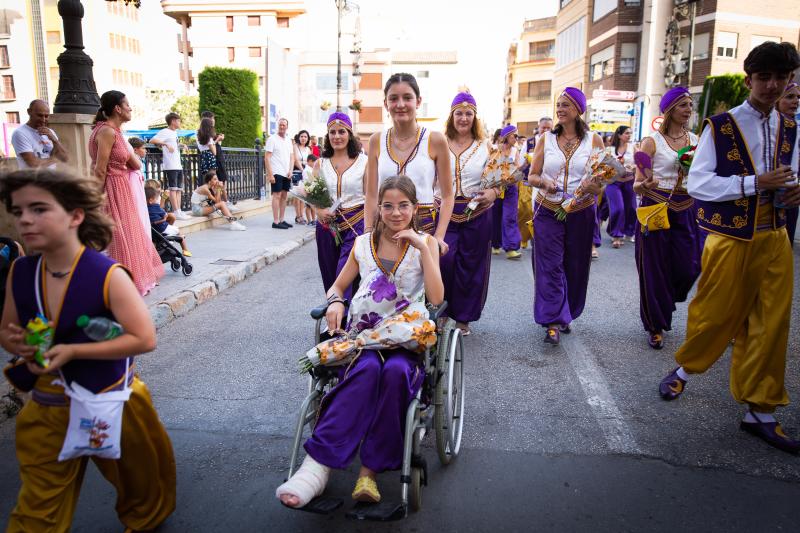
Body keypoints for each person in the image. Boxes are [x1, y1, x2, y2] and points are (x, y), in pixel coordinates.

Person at [0, 169, 176, 532]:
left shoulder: (107, 274)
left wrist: (74, 353)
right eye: (18, 212)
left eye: (38, 209)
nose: (25, 220)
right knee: (36, 509)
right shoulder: (21, 271)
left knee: (140, 484)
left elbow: (144, 339)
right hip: (48, 407)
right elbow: (6, 330)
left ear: (75, 216)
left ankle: (144, 519)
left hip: (111, 403)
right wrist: (14, 341)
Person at [658, 42, 800, 454]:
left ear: (789, 78)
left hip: (775, 236)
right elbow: (699, 184)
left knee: (772, 324)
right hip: (730, 237)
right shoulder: (721, 127)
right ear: (748, 80)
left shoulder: (792, 126)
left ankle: (761, 410)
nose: (773, 86)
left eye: (781, 78)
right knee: (715, 314)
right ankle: (685, 366)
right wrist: (756, 184)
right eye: (764, 78)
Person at [276, 176, 443, 508]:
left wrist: (424, 248)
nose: (396, 213)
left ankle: (368, 472)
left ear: (415, 207)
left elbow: (437, 297)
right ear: (378, 208)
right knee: (365, 372)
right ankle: (317, 467)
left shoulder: (427, 243)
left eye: (404, 206)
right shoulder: (362, 244)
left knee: (395, 375)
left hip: (404, 342)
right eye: (388, 206)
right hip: (364, 339)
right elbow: (337, 287)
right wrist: (337, 302)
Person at [527, 87, 604, 345]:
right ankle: (551, 320)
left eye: (566, 105)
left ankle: (566, 311)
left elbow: (602, 179)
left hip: (581, 212)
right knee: (550, 265)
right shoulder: (545, 140)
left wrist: (593, 187)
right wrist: (544, 183)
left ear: (578, 110)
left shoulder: (594, 141)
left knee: (575, 265)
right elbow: (532, 176)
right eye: (558, 105)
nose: (560, 109)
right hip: (548, 210)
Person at [634, 87, 702, 350]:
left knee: (690, 265)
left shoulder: (696, 141)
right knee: (654, 268)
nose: (688, 110)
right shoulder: (652, 142)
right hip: (656, 206)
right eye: (684, 105)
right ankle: (656, 325)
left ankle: (664, 299)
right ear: (670, 109)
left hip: (686, 207)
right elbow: (637, 184)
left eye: (690, 106)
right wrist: (645, 184)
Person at [365, 73, 454, 254]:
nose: (400, 105)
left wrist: (439, 236)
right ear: (385, 104)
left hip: (423, 225)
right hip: (385, 225)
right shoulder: (376, 140)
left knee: (423, 281)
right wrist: (368, 232)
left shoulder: (435, 140)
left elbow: (447, 196)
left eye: (407, 98)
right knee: (384, 280)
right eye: (393, 98)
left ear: (418, 101)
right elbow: (372, 195)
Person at [89, 90, 164, 296]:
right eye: (127, 104)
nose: (130, 108)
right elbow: (100, 168)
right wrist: (93, 199)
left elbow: (134, 163)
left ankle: (126, 281)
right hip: (114, 188)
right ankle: (118, 286)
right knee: (119, 237)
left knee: (126, 235)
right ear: (117, 108)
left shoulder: (115, 132)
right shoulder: (107, 132)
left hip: (120, 187)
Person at [440, 92, 494, 335]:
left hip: (477, 211)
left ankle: (463, 319)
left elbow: (496, 180)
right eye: (459, 113)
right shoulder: (438, 142)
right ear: (451, 116)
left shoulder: (486, 146)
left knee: (471, 266)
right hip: (443, 211)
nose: (463, 118)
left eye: (468, 114)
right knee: (443, 261)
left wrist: (493, 194)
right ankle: (441, 312)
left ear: (475, 117)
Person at [312, 113, 366, 299]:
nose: (336, 136)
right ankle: (334, 314)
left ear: (350, 134)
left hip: (356, 224)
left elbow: (372, 196)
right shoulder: (321, 163)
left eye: (341, 131)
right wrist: (318, 211)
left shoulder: (364, 162)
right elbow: (314, 195)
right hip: (327, 227)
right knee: (329, 273)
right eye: (332, 132)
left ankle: (346, 319)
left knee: (345, 272)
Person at [490, 125, 523, 259]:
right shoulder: (494, 149)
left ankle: (511, 247)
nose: (516, 138)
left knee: (509, 216)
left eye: (517, 136)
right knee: (495, 216)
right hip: (496, 187)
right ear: (506, 137)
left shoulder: (516, 150)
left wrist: (525, 166)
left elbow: (518, 168)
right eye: (514, 136)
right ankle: (495, 244)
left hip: (511, 187)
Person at [150, 112, 189, 220]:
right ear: (173, 121)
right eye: (178, 120)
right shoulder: (165, 131)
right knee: (173, 189)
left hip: (177, 165)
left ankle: (179, 211)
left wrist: (181, 145)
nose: (180, 122)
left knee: (179, 189)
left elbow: (174, 144)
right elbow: (152, 140)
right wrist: (165, 144)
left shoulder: (174, 132)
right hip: (170, 165)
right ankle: (176, 211)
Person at [11, 99, 69, 169]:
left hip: (51, 178)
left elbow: (65, 158)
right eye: (40, 115)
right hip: (32, 179)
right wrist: (56, 159)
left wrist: (54, 140)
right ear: (29, 112)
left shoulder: (50, 132)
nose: (43, 120)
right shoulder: (20, 133)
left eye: (46, 116)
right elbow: (33, 164)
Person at [606, 126, 637, 248]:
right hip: (613, 183)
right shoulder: (609, 149)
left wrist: (634, 167)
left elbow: (638, 163)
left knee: (632, 209)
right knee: (618, 208)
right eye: (626, 133)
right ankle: (617, 235)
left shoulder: (633, 147)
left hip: (629, 181)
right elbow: (603, 165)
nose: (629, 135)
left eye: (630, 133)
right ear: (619, 135)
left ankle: (628, 231)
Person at [777, 81, 799, 245]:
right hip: (763, 197)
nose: (796, 101)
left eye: (798, 97)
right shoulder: (767, 127)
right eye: (790, 96)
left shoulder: (797, 129)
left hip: (791, 197)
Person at [265, 118, 296, 229]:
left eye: (284, 125)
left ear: (287, 126)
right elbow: (267, 158)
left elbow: (292, 157)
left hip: (286, 172)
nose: (282, 127)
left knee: (284, 196)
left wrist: (291, 170)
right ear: (278, 126)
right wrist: (270, 174)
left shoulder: (288, 140)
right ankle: (276, 221)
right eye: (280, 125)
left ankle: (282, 219)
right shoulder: (272, 139)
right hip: (276, 171)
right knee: (276, 196)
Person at [146, 186, 191, 256]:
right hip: (162, 228)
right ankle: (185, 250)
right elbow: (165, 214)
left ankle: (153, 255)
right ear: (151, 200)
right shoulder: (156, 207)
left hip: (153, 231)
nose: (157, 200)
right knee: (178, 232)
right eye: (156, 199)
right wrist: (164, 217)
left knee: (154, 241)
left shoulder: (144, 208)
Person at [127, 137, 151, 236]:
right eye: (143, 148)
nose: (145, 150)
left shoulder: (137, 163)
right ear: (135, 150)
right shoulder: (132, 169)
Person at [292, 129, 312, 225]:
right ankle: (298, 216)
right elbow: (296, 160)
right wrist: (302, 170)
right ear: (298, 137)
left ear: (308, 138)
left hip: (305, 172)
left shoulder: (308, 149)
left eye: (305, 137)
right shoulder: (295, 146)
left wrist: (308, 173)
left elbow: (309, 162)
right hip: (297, 171)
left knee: (303, 195)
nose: (303, 138)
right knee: (297, 195)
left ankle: (302, 216)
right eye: (302, 136)